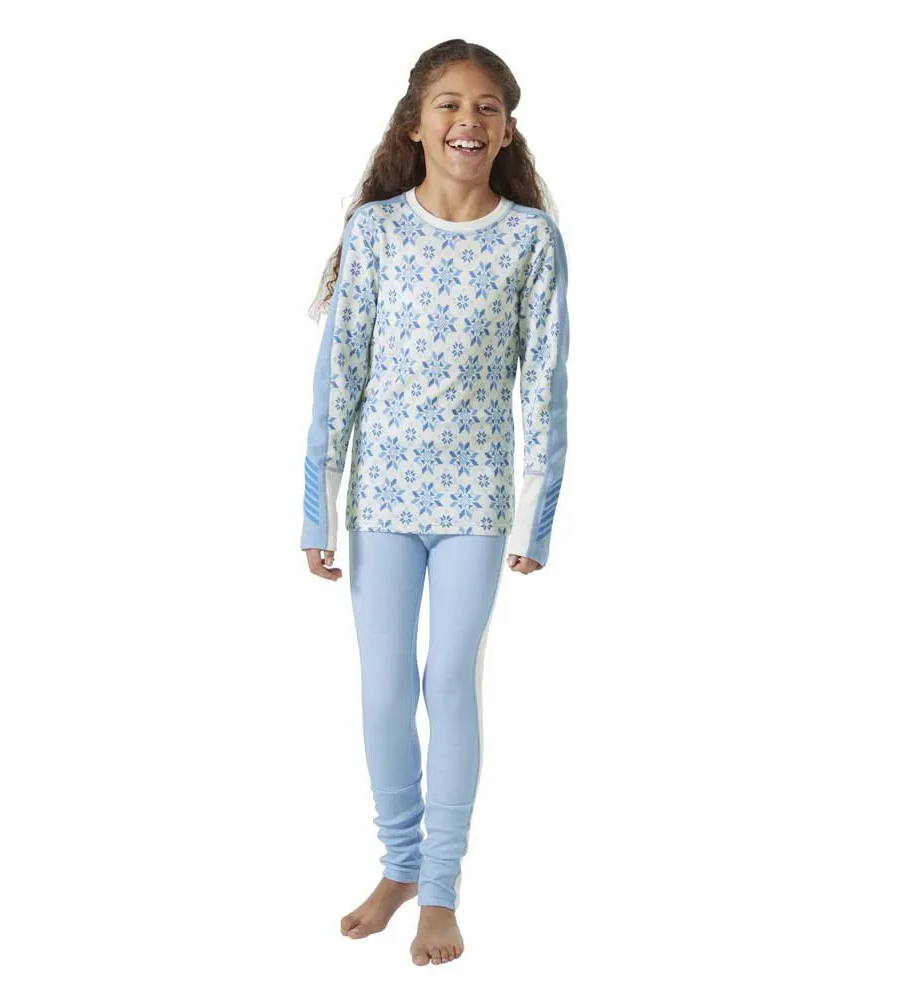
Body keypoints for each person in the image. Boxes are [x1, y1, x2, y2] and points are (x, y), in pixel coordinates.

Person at [299, 39, 570, 966]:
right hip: (381, 499)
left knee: (446, 682)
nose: (468, 119)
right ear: (416, 124)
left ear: (507, 129)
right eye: (449, 103)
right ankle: (400, 865)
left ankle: (441, 888)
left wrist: (536, 514)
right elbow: (340, 374)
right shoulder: (376, 230)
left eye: (488, 105)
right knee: (383, 690)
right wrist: (317, 506)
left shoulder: (530, 240)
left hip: (474, 505)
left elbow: (544, 384)